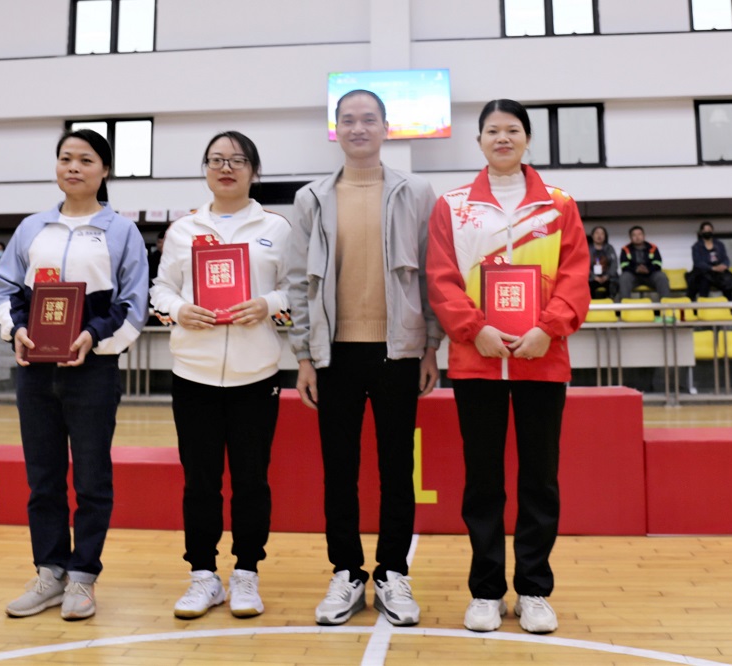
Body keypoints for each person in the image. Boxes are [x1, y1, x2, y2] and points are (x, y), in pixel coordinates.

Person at [426, 99, 590, 635]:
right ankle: (486, 591)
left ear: (527, 139)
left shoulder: (559, 205)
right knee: (483, 481)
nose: (502, 138)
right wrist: (475, 329)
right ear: (478, 141)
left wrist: (549, 328)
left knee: (540, 480)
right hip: (477, 362)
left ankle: (535, 590)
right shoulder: (453, 206)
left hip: (543, 360)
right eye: (492, 130)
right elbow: (442, 279)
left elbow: (575, 275)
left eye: (512, 129)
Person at [288, 89, 441, 627]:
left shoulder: (415, 192)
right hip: (334, 355)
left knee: (398, 468)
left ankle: (393, 571)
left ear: (385, 127)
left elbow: (431, 272)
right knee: (340, 470)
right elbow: (297, 283)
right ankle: (347, 572)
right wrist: (304, 357)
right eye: (348, 120)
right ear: (337, 129)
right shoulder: (311, 198)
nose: (359, 128)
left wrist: (431, 345)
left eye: (368, 119)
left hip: (399, 350)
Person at [0, 128, 149, 621]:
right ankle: (50, 572)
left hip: (92, 369)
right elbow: (4, 289)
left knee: (91, 478)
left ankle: (83, 577)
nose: (73, 167)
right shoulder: (32, 228)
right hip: (35, 371)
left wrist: (94, 339)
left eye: (85, 159)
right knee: (42, 477)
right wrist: (16, 329)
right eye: (65, 158)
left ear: (105, 170)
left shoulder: (121, 231)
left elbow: (134, 303)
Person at [150, 131, 292, 620]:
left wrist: (268, 303)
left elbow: (296, 289)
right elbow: (161, 289)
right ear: (205, 170)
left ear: (254, 171)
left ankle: (247, 573)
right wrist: (179, 310)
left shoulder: (276, 227)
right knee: (200, 482)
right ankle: (203, 576)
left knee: (251, 480)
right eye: (216, 160)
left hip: (257, 375)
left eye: (237, 160)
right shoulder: (183, 229)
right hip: (194, 374)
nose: (225, 168)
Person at [689, 221, 732, 301]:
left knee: (728, 282)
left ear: (712, 231)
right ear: (701, 232)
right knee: (703, 282)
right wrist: (712, 268)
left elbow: (725, 258)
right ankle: (703, 306)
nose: (707, 232)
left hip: (719, 273)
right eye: (705, 230)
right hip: (703, 273)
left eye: (709, 230)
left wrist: (724, 265)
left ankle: (730, 306)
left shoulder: (719, 244)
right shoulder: (696, 246)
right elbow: (698, 263)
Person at [618, 226, 670, 299]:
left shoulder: (653, 247)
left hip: (650, 275)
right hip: (633, 276)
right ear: (630, 237)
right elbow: (624, 265)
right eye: (634, 235)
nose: (637, 237)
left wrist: (648, 269)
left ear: (644, 235)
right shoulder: (625, 249)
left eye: (639, 234)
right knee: (624, 277)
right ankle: (625, 304)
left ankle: (665, 303)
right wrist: (636, 269)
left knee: (661, 276)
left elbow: (658, 263)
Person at [587, 226, 618, 300]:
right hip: (591, 278)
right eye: (597, 233)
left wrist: (607, 276)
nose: (599, 235)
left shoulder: (610, 248)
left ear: (605, 236)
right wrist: (594, 277)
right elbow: (584, 265)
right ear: (592, 236)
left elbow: (614, 264)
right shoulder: (587, 248)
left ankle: (611, 304)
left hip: (608, 278)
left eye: (602, 233)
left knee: (614, 284)